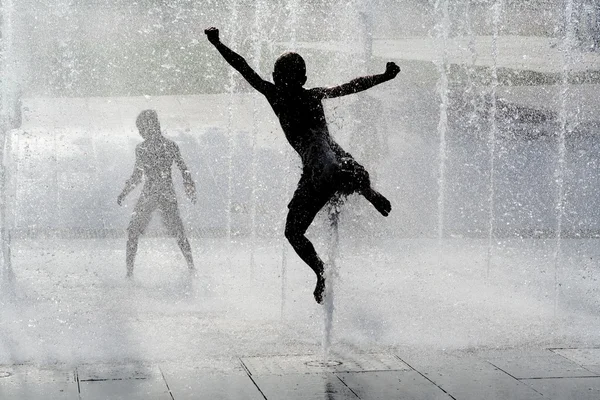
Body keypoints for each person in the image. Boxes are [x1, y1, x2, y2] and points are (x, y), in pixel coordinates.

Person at [205, 27, 399, 304]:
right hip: (339, 164)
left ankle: (321, 270)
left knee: (293, 231)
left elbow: (243, 68)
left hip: (319, 172)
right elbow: (349, 87)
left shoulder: (275, 96)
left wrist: (217, 43)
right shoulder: (313, 95)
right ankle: (365, 192)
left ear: (275, 77)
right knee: (343, 171)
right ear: (304, 78)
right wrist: (384, 77)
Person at [117, 110, 197, 278]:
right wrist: (189, 185)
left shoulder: (143, 148)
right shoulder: (170, 145)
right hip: (167, 192)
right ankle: (191, 267)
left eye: (141, 128)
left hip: (151, 193)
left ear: (150, 126)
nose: (140, 132)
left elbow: (137, 176)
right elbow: (184, 169)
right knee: (178, 232)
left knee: (133, 231)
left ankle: (129, 274)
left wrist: (125, 192)